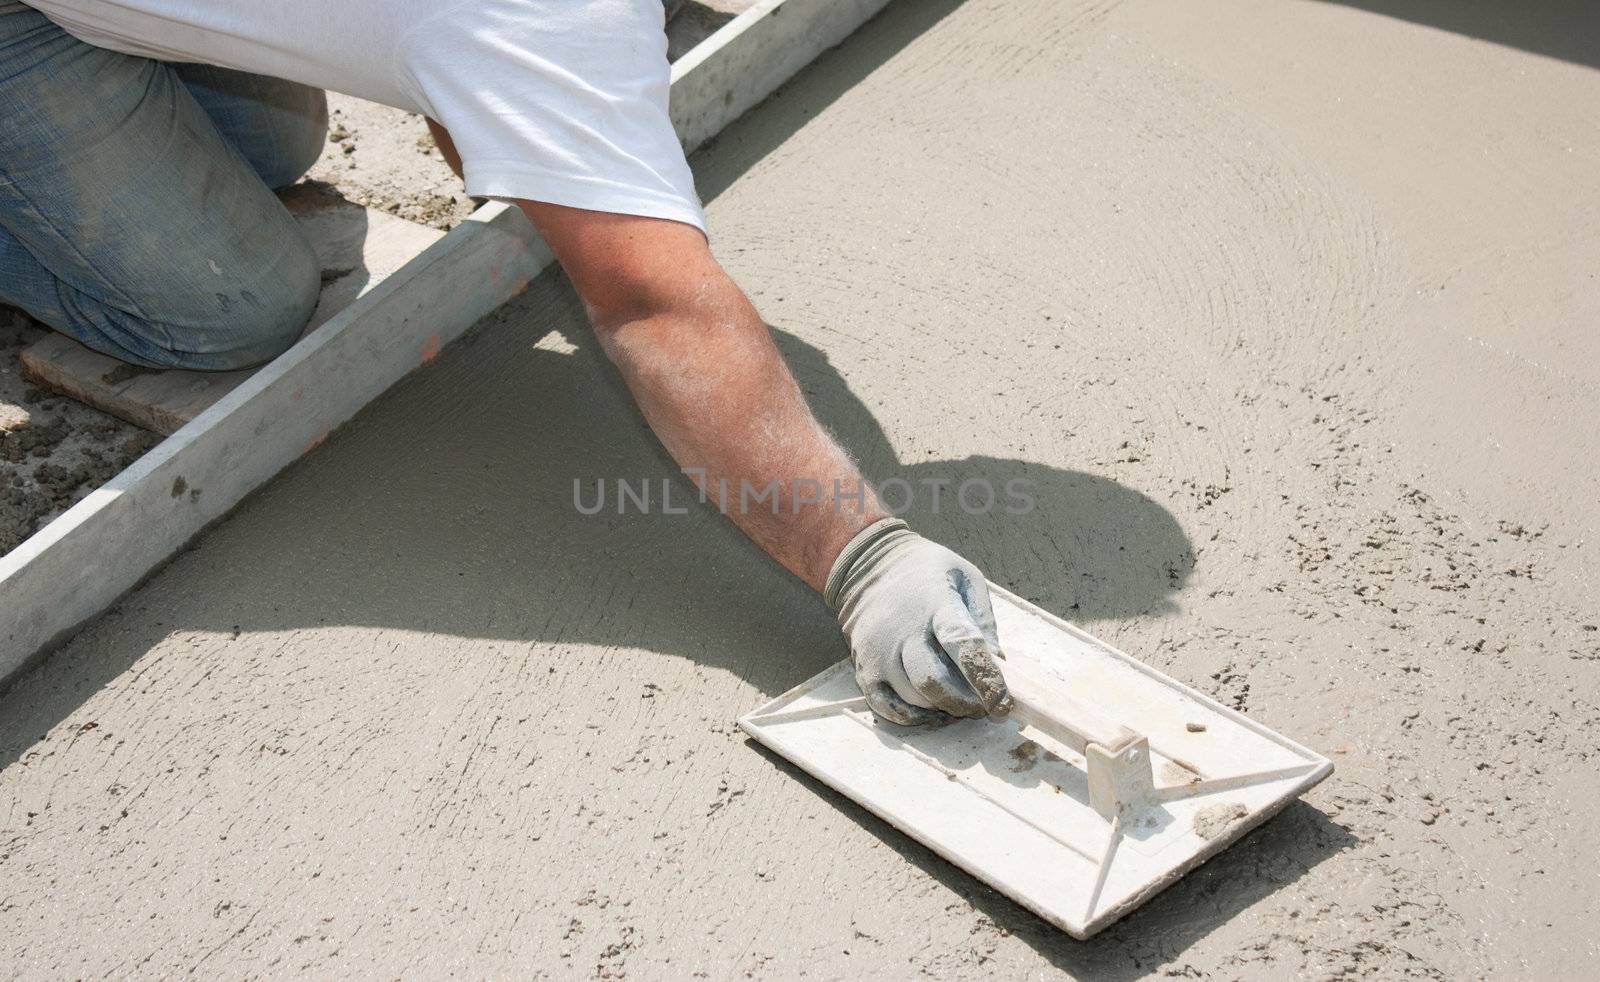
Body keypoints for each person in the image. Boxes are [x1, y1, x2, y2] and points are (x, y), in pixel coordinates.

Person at [0, 0, 1012, 725]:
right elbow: (652, 306)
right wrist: (858, 555)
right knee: (231, 303)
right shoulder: (545, 19)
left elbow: (473, 88)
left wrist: (544, 137)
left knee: (277, 138)